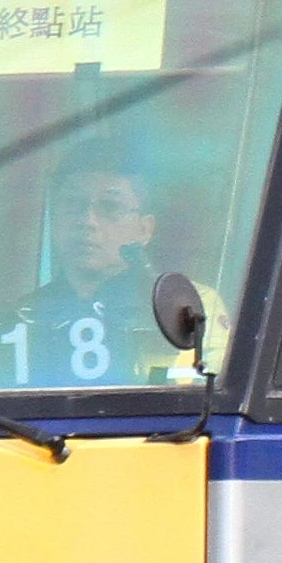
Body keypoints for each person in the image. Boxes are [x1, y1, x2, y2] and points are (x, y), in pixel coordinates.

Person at [30, 143, 202, 387]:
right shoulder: (26, 314)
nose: (87, 221)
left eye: (110, 207)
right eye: (72, 205)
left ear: (145, 229)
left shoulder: (185, 307)